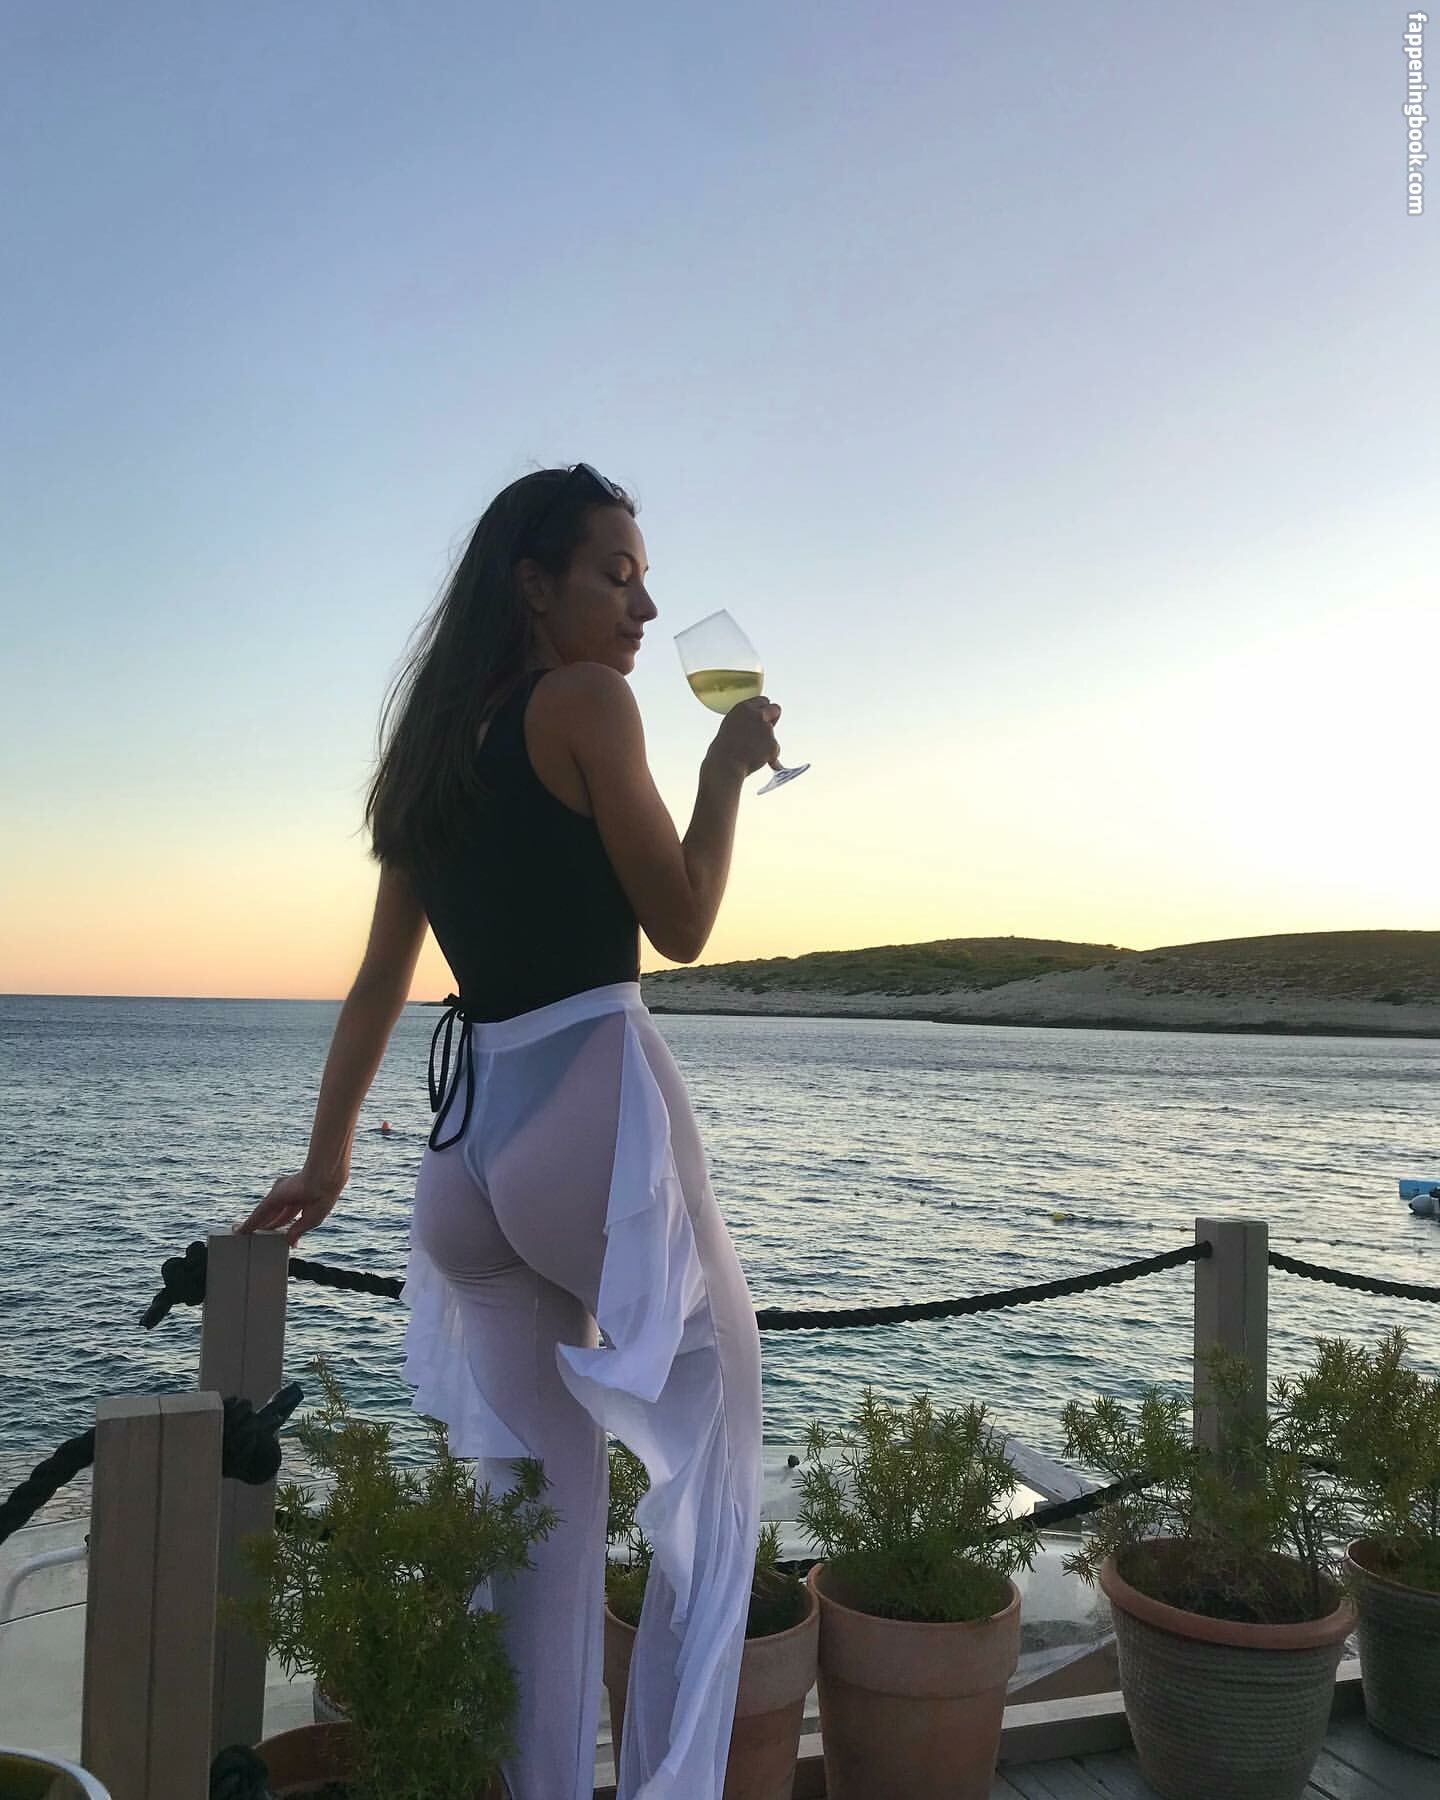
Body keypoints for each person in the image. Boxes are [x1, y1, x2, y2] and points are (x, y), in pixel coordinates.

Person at [236, 462, 784, 1800]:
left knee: (535, 1519)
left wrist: (328, 1160)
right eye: (616, 575)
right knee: (719, 1449)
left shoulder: (431, 752)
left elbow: (379, 981)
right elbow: (683, 920)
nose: (641, 607)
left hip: (468, 1156)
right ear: (535, 587)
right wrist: (724, 773)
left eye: (645, 581)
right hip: (587, 1105)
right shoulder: (588, 703)